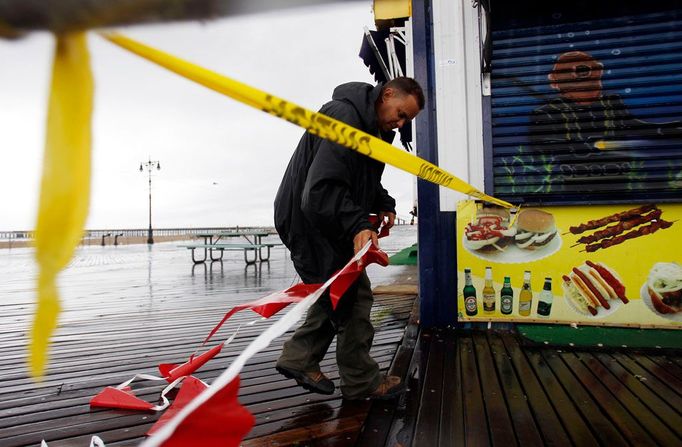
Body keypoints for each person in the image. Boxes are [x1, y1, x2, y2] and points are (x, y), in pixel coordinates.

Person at [273, 77, 424, 400]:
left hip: (324, 217)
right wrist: (357, 223)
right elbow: (323, 188)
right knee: (354, 297)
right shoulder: (344, 116)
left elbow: (361, 179)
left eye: (406, 120)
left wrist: (384, 203)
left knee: (339, 293)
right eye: (400, 113)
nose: (400, 123)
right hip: (309, 220)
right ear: (386, 94)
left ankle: (299, 358)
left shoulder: (373, 130)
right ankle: (362, 383)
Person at [529, 50, 682, 189]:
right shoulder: (548, 112)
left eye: (586, 69)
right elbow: (539, 147)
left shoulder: (611, 103)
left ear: (599, 71)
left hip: (618, 178)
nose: (582, 75)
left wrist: (663, 129)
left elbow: (632, 126)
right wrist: (574, 146)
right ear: (554, 80)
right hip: (573, 181)